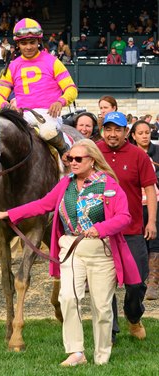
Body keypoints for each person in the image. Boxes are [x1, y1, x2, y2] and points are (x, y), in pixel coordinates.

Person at [0, 139, 141, 366]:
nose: (72, 162)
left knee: (101, 307)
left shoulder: (108, 185)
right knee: (68, 298)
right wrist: (11, 214)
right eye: (70, 158)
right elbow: (43, 204)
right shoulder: (66, 185)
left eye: (78, 159)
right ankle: (76, 352)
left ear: (92, 161)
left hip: (101, 253)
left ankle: (102, 355)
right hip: (71, 249)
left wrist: (100, 228)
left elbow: (124, 217)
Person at [97, 111, 157, 342]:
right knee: (104, 284)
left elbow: (150, 189)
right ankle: (109, 330)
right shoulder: (94, 151)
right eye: (108, 129)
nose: (112, 134)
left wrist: (151, 221)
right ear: (103, 130)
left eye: (118, 129)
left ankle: (133, 316)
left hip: (132, 230)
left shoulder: (138, 156)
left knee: (135, 283)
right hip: (101, 232)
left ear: (126, 132)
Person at [0, 18, 78, 157]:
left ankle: (67, 155)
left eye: (32, 42)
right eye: (24, 43)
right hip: (21, 116)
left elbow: (71, 88)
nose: (28, 47)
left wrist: (60, 101)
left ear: (39, 42)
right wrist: (6, 106)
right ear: (18, 44)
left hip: (48, 115)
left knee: (47, 132)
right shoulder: (12, 66)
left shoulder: (53, 62)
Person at [129, 120, 159, 300]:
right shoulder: (130, 153)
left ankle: (154, 282)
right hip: (136, 201)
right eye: (140, 133)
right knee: (138, 238)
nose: (144, 136)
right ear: (133, 136)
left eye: (147, 132)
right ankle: (140, 277)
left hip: (155, 198)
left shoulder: (157, 152)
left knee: (155, 238)